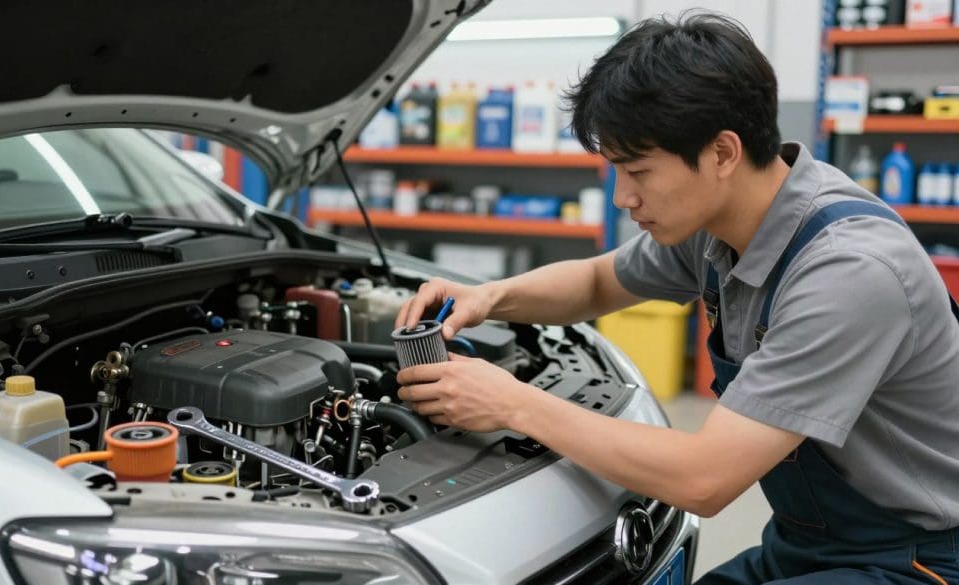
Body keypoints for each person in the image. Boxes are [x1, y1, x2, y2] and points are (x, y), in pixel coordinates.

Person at [394, 12, 959, 585]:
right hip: (810, 545)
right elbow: (596, 282)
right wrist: (489, 296)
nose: (623, 197)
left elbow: (704, 481)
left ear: (722, 153)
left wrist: (512, 403)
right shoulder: (724, 223)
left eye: (638, 170)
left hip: (919, 561)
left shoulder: (847, 274)